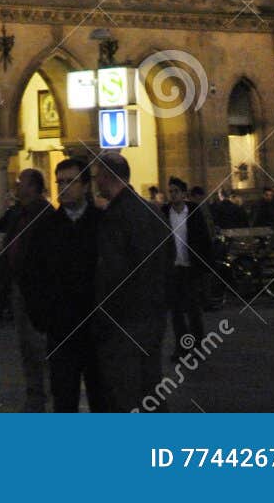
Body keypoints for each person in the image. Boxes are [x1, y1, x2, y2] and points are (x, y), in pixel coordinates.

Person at [92, 151, 172, 412]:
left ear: (106, 176)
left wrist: (103, 316)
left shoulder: (116, 216)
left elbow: (112, 272)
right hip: (153, 313)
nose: (95, 183)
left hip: (124, 319)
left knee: (126, 391)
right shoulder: (152, 210)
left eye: (96, 176)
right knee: (151, 385)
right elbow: (168, 257)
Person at [25, 157, 103, 413]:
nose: (65, 187)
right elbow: (33, 276)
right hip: (61, 329)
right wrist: (43, 318)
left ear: (86, 185)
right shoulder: (46, 228)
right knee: (64, 399)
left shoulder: (102, 224)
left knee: (103, 398)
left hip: (97, 329)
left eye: (71, 181)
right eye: (60, 182)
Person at [1, 168, 51, 411]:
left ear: (33, 187)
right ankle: (35, 393)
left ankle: (41, 394)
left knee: (37, 345)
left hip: (38, 289)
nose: (16, 186)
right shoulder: (17, 215)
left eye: (21, 182)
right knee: (26, 345)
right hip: (19, 286)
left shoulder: (44, 215)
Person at [163, 176, 212, 350]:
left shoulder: (193, 212)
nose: (173, 195)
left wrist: (205, 265)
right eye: (170, 191)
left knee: (193, 309)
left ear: (184, 193)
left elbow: (203, 239)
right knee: (176, 312)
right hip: (173, 268)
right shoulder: (164, 212)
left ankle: (198, 345)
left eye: (176, 191)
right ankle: (181, 347)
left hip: (190, 268)